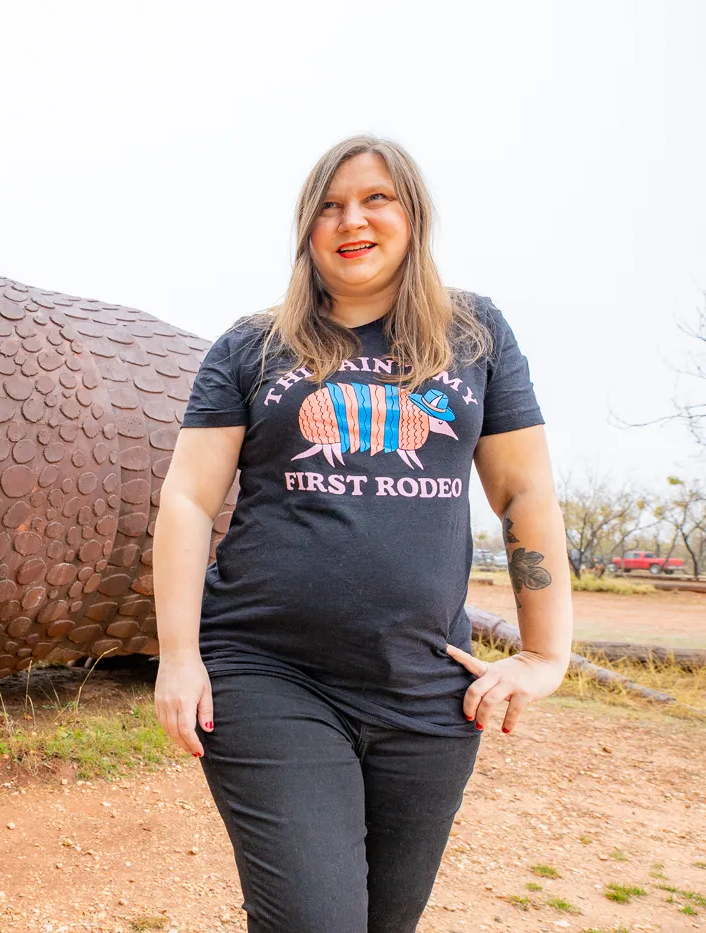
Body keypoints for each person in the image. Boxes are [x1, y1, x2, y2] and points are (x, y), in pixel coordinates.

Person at [153, 135, 574, 933]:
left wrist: (545, 654)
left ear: (413, 216)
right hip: (269, 674)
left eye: (376, 198)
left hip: (427, 691)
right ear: (307, 229)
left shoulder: (475, 336)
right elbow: (186, 499)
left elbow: (524, 492)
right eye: (330, 205)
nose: (353, 219)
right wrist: (179, 656)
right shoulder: (252, 346)